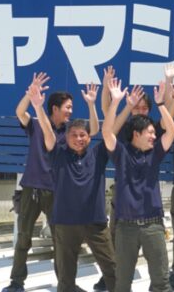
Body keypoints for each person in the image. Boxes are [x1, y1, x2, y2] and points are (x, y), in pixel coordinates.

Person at [32, 80, 138, 292]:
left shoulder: (98, 153)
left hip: (95, 221)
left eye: (83, 135)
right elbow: (48, 132)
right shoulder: (58, 154)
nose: (78, 139)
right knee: (66, 276)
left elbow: (111, 129)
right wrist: (37, 107)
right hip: (65, 223)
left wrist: (119, 103)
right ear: (67, 137)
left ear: (89, 137)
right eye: (74, 135)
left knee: (113, 269)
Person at [3, 72, 98, 292]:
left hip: (57, 192)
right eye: (68, 107)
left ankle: (66, 285)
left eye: (71, 108)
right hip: (31, 189)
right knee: (23, 238)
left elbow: (93, 130)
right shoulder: (36, 124)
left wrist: (91, 105)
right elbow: (19, 112)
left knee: (61, 241)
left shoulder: (71, 132)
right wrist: (30, 94)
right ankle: (16, 282)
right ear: (55, 108)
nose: (71, 111)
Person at [104, 77, 174, 292]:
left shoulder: (156, 153)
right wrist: (117, 102)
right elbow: (107, 133)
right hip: (125, 227)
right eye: (151, 132)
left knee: (161, 282)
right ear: (137, 134)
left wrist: (161, 103)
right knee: (122, 283)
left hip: (153, 226)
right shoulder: (121, 153)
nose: (154, 136)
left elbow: (172, 131)